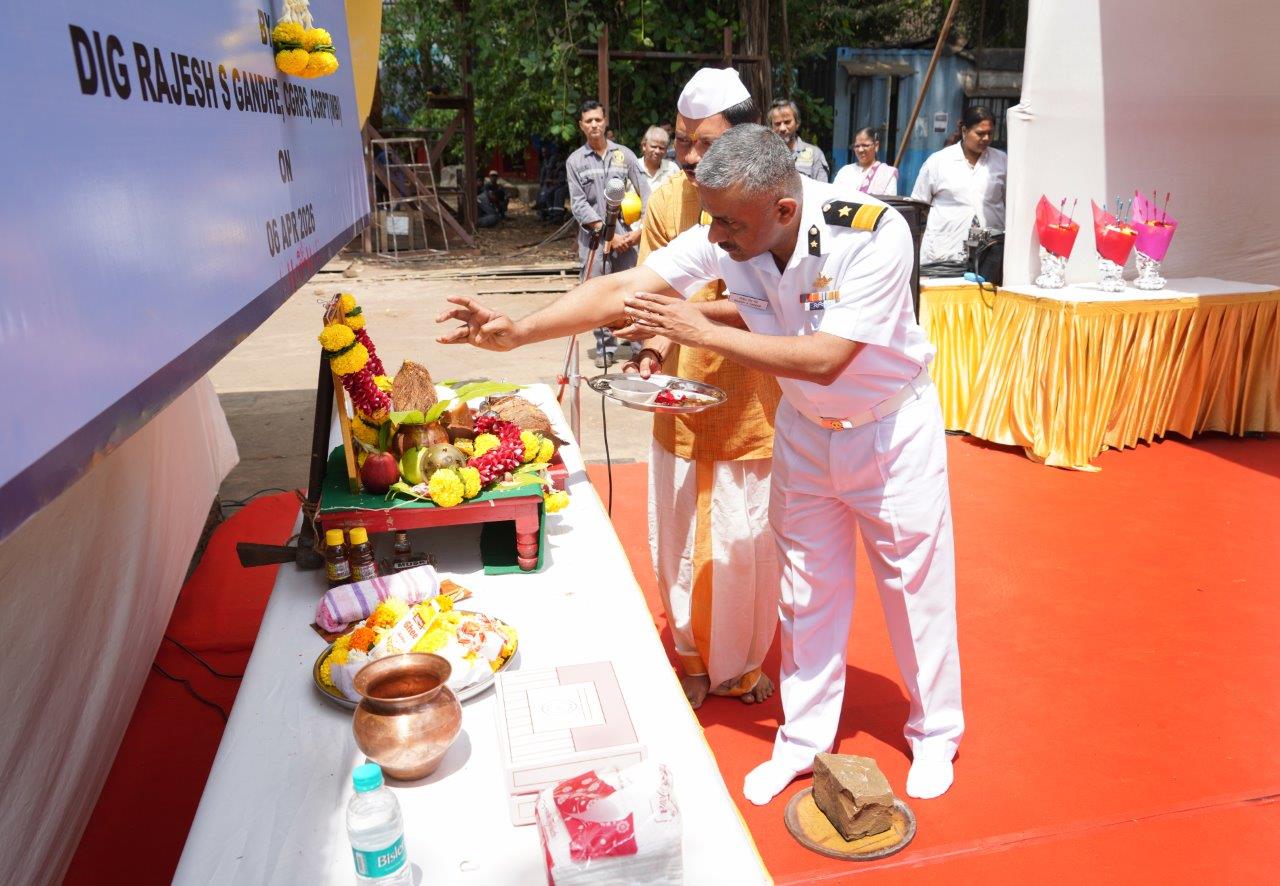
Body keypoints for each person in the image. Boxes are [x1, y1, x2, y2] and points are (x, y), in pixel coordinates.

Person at [436, 124, 963, 806]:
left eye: (728, 224)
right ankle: (803, 742)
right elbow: (625, 290)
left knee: (913, 590)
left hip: (887, 430)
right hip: (805, 428)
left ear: (783, 209)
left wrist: (701, 329)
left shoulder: (871, 231)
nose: (714, 238)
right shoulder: (732, 222)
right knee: (806, 593)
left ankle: (935, 733)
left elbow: (829, 357)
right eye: (710, 218)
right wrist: (520, 330)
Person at [627, 67, 782, 710]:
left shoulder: (776, 203)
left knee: (749, 541)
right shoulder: (667, 203)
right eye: (684, 141)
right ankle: (691, 657)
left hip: (755, 399)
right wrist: (649, 349)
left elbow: (770, 302)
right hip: (682, 401)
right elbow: (651, 295)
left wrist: (685, 323)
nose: (688, 158)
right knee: (682, 534)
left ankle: (745, 662)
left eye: (704, 144)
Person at [567, 100, 650, 367]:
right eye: (588, 121)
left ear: (605, 122)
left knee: (634, 293)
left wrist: (638, 232)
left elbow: (646, 193)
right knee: (596, 295)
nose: (594, 125)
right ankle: (605, 347)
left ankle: (639, 345)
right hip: (593, 243)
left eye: (597, 120)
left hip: (627, 240)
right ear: (581, 126)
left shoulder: (624, 155)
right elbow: (579, 204)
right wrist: (607, 235)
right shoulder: (575, 162)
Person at [910, 105, 1007, 268]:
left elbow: (1011, 204)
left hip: (989, 254)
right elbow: (918, 205)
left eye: (990, 133)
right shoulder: (939, 162)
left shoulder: (1001, 161)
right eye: (980, 133)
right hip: (944, 252)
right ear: (964, 131)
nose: (985, 138)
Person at [769, 99, 829, 182]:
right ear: (771, 127)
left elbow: (823, 190)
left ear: (797, 123)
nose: (782, 128)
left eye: (787, 122)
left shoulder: (815, 154)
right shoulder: (765, 155)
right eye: (777, 124)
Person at [832, 127, 898, 196]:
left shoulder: (886, 174)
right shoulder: (845, 171)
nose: (860, 150)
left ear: (876, 146)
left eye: (865, 145)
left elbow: (889, 203)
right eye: (857, 146)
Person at [639, 126, 680, 192]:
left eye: (661, 148)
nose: (657, 151)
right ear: (644, 146)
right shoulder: (634, 167)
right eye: (653, 147)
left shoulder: (672, 169)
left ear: (666, 150)